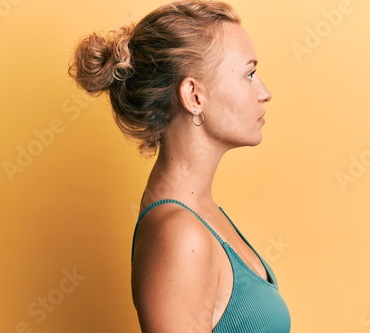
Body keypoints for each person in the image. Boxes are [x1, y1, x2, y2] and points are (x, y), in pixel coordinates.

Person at [70, 1, 291, 331]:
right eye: (249, 74)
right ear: (194, 96)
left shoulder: (201, 213)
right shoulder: (180, 234)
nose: (265, 93)